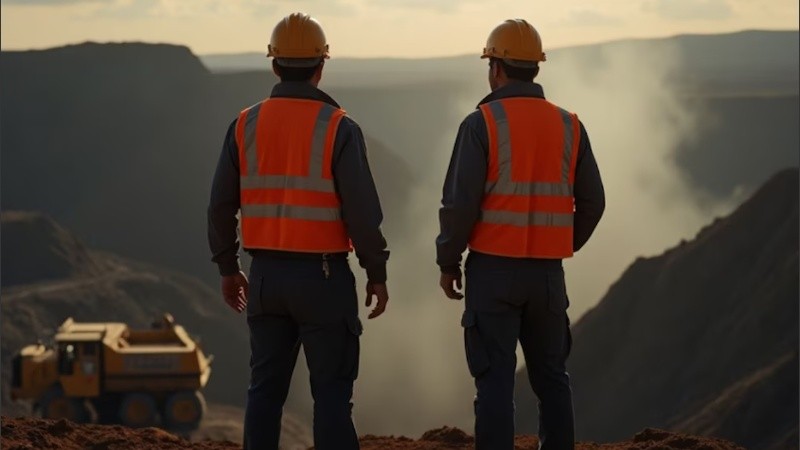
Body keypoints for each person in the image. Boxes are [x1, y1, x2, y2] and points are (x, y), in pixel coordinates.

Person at [207, 12, 389, 450]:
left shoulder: (245, 125)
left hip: (265, 278)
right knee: (331, 395)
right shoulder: (339, 127)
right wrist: (376, 272)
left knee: (264, 392)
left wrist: (228, 268)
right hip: (324, 279)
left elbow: (220, 206)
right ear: (321, 66)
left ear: (274, 65)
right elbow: (362, 213)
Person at [435, 18, 605, 450]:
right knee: (552, 379)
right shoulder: (570, 125)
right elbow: (593, 203)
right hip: (547, 276)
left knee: (494, 380)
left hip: (492, 273)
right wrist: (559, 244)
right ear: (536, 67)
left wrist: (449, 262)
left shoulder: (481, 124)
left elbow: (459, 205)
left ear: (495, 68)